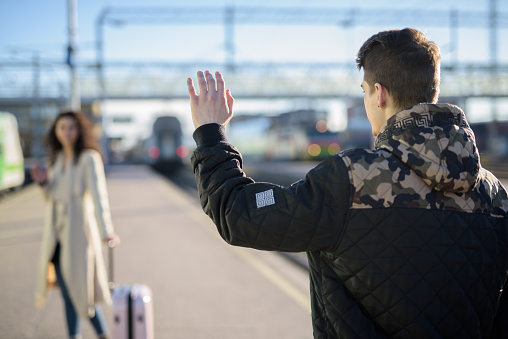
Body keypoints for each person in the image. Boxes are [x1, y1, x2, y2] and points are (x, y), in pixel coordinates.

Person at [187, 28, 508, 338]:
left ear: (378, 93)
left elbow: (240, 214)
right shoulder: (495, 197)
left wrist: (211, 133)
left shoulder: (352, 179)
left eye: (365, 90)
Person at [32, 111, 119, 339]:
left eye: (71, 127)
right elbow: (51, 198)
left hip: (79, 234)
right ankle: (82, 335)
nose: (67, 132)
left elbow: (100, 197)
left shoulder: (89, 158)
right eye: (62, 128)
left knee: (81, 290)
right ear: (56, 132)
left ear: (80, 130)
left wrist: (106, 230)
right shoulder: (57, 159)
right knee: (69, 293)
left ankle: (98, 334)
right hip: (56, 235)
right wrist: (43, 184)